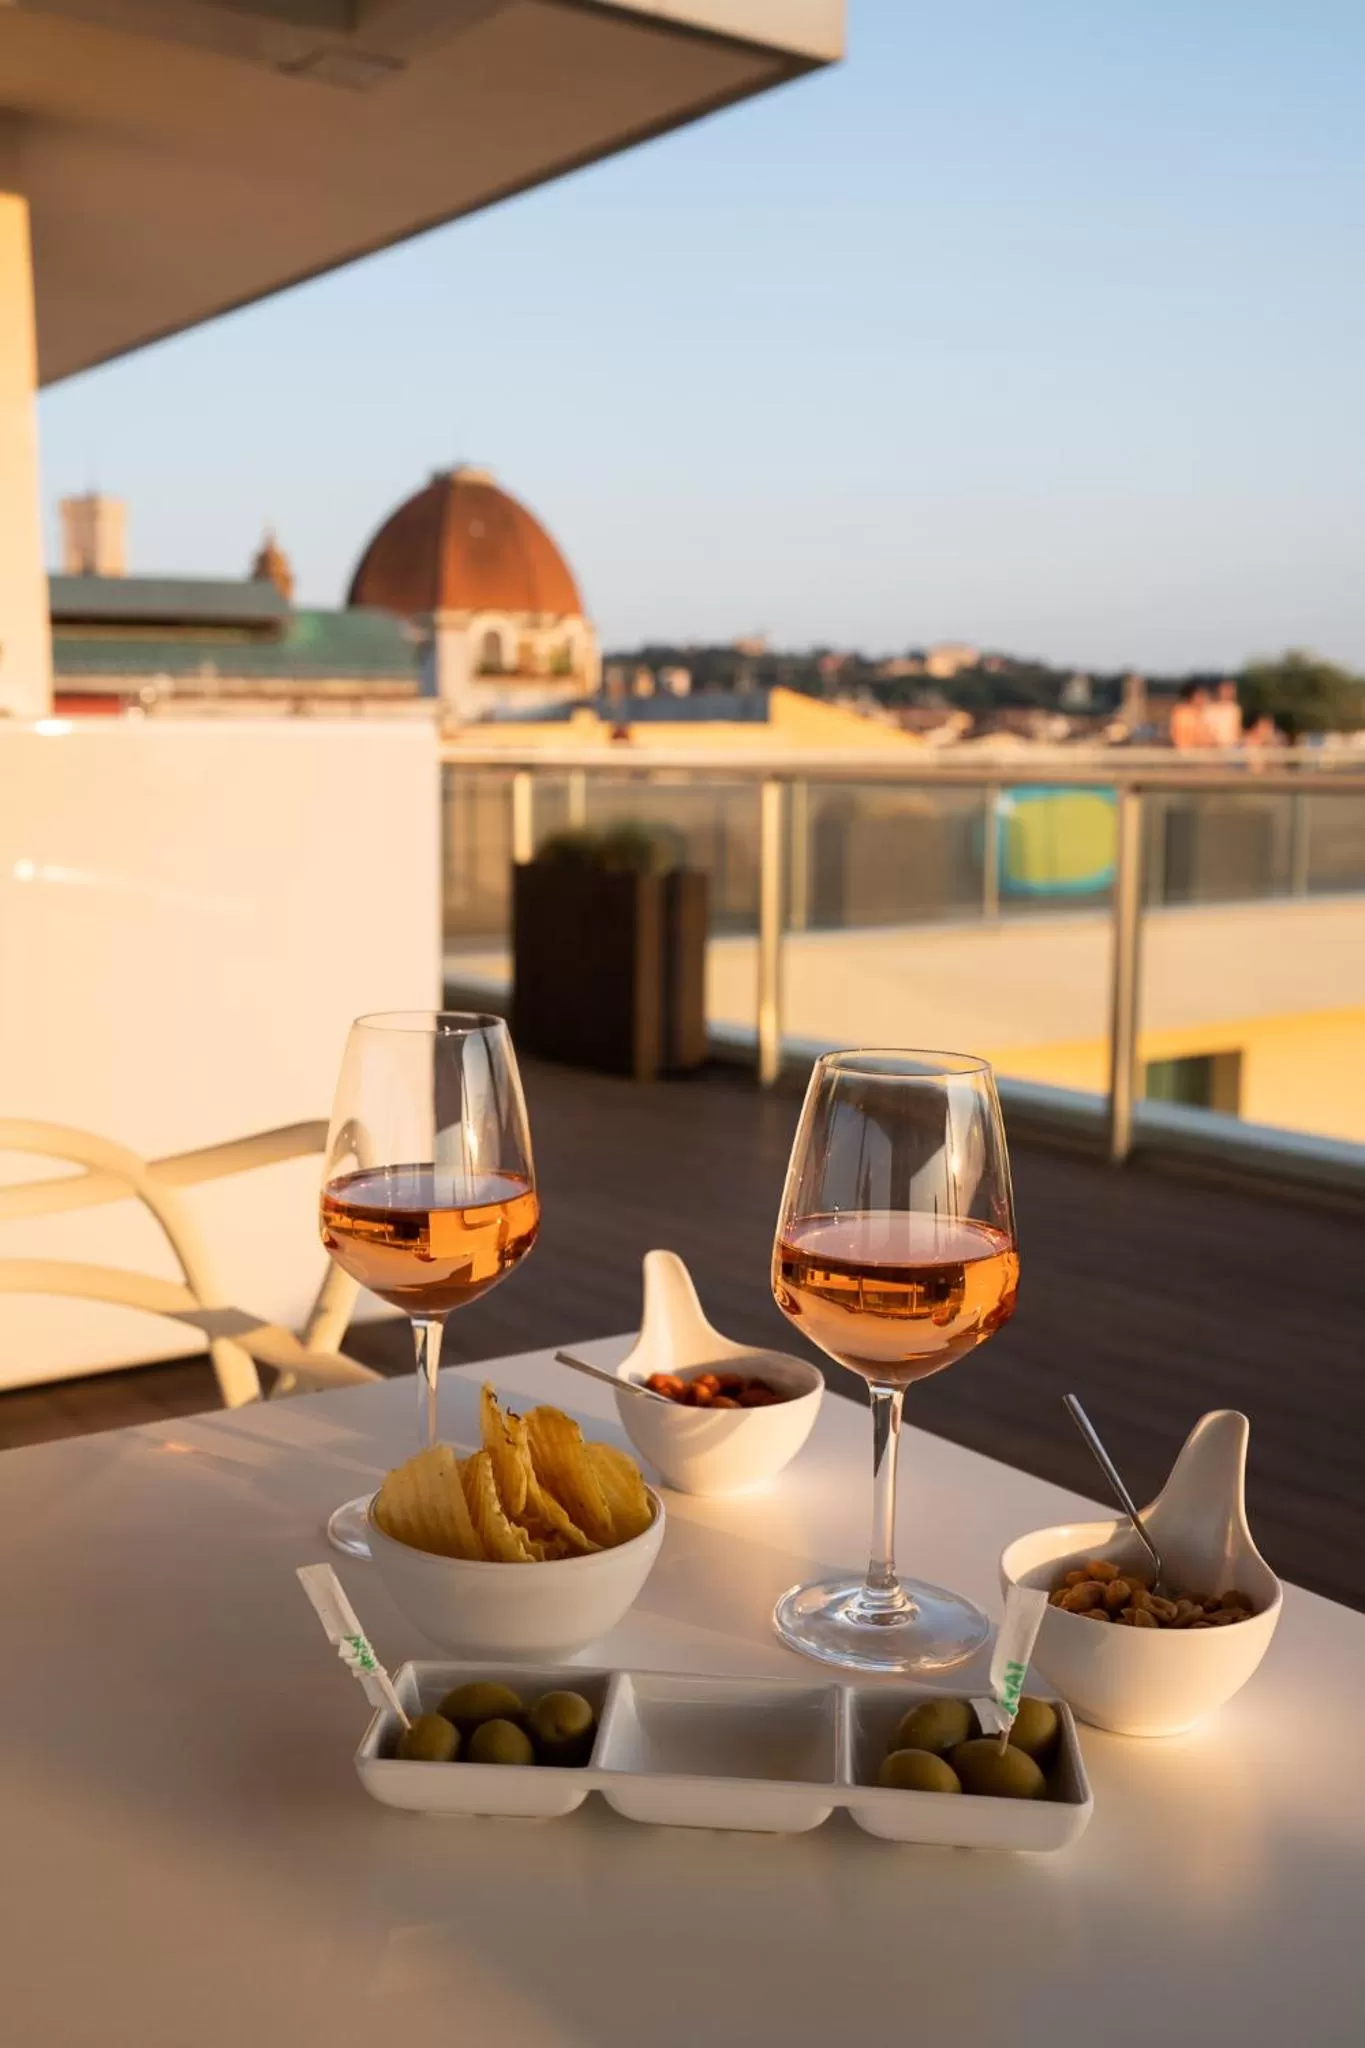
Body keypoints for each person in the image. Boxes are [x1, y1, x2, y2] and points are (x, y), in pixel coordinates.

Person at [1169, 681, 1214, 750]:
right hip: (1189, 755)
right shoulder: (1183, 714)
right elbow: (1182, 739)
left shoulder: (1201, 713)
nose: (1204, 699)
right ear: (1192, 696)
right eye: (1201, 695)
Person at [1204, 677, 1244, 748]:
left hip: (1231, 748)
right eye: (1226, 690)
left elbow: (1237, 730)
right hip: (1213, 748)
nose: (1228, 693)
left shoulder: (1234, 709)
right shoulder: (1208, 709)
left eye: (1231, 690)